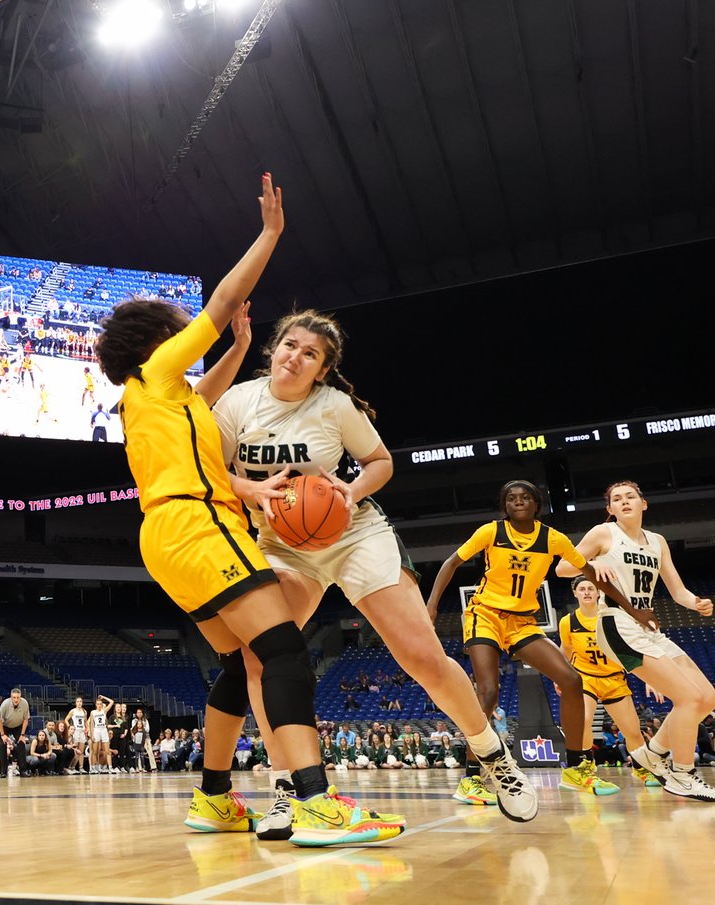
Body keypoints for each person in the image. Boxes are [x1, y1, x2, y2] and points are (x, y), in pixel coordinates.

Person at [94, 173, 401, 847]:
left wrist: (237, 349)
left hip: (165, 540)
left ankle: (213, 797)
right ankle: (315, 803)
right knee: (285, 650)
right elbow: (225, 298)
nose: (188, 335)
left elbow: (206, 391)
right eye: (178, 332)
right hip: (200, 527)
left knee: (241, 663)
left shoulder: (153, 400)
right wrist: (269, 234)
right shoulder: (156, 372)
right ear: (156, 341)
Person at [209, 308, 536, 836]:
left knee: (420, 654)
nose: (295, 357)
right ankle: (288, 787)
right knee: (260, 657)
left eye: (310, 354)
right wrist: (249, 489)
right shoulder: (237, 402)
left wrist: (351, 490)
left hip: (354, 532)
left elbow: (380, 462)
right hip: (282, 544)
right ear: (274, 348)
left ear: (322, 369)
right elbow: (209, 470)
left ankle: (492, 755)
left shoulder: (334, 406)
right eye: (290, 345)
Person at [427, 480, 644, 804]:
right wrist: (431, 606)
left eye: (525, 497)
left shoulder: (553, 539)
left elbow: (589, 573)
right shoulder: (491, 532)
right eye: (511, 498)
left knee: (571, 679)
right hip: (485, 614)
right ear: (505, 505)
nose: (518, 501)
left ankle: (575, 768)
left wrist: (633, 609)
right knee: (488, 692)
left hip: (522, 622)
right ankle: (471, 779)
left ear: (536, 504)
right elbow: (451, 563)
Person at [554, 480, 715, 801]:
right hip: (616, 623)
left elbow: (677, 591)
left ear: (644, 504)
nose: (624, 501)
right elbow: (562, 568)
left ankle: (651, 753)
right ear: (610, 509)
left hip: (647, 626)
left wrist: (696, 602)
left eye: (630, 496)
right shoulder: (603, 533)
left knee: (707, 698)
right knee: (688, 699)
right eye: (617, 499)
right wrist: (591, 564)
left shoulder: (657, 542)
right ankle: (682, 774)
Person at [558, 576, 660, 786]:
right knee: (583, 720)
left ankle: (641, 769)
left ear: (598, 593)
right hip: (585, 677)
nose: (587, 592)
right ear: (575, 593)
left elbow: (638, 646)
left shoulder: (613, 617)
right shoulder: (568, 622)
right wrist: (560, 675)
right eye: (582, 589)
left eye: (591, 588)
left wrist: (651, 677)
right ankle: (585, 766)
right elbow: (566, 650)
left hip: (614, 679)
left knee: (632, 731)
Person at [0, 688, 31, 777]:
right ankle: (3, 772)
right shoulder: (5, 704)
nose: (16, 700)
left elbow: (26, 720)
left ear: (20, 697)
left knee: (21, 744)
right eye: (14, 697)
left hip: (18, 726)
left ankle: (23, 771)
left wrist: (22, 735)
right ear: (11, 697)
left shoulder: (25, 703)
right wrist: (3, 734)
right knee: (3, 746)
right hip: (5, 726)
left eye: (18, 698)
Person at [87, 694, 114, 774]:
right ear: (96, 704)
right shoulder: (93, 712)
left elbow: (112, 702)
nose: (99, 705)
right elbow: (91, 724)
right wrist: (92, 735)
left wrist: (103, 697)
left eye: (100, 704)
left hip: (104, 731)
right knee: (95, 751)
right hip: (96, 731)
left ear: (102, 705)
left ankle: (110, 767)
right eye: (98, 704)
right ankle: (94, 767)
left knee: (107, 751)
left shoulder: (104, 711)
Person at [64, 696, 89, 773]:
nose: (79, 703)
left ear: (82, 703)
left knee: (81, 751)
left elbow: (85, 722)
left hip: (82, 732)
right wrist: (70, 727)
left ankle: (81, 767)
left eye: (80, 701)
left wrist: (87, 729)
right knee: (75, 751)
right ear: (75, 703)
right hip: (75, 731)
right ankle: (72, 767)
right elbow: (66, 720)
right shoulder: (73, 711)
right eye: (78, 701)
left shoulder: (84, 711)